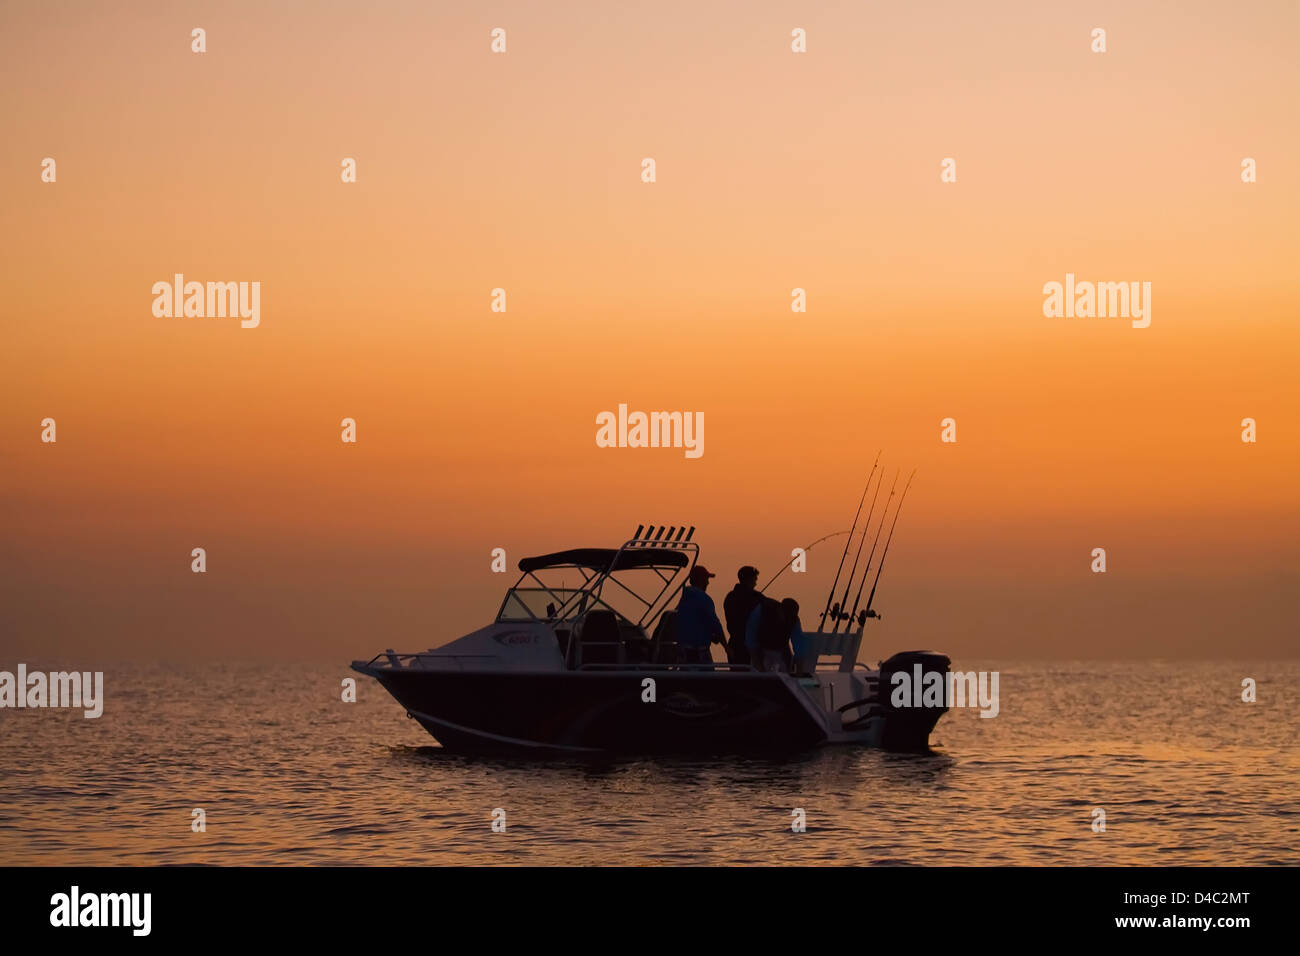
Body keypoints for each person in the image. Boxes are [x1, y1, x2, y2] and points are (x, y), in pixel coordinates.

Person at [674, 565, 725, 666]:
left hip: (683, 650)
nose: (708, 582)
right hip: (698, 652)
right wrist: (727, 648)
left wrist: (709, 636)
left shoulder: (684, 599)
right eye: (706, 578)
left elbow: (691, 625)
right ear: (700, 579)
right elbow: (715, 624)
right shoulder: (704, 599)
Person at [745, 596, 798, 673]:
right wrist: (758, 663)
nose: (786, 619)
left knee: (787, 668)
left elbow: (798, 646)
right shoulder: (760, 612)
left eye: (790, 617)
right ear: (780, 610)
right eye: (785, 616)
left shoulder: (794, 620)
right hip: (762, 648)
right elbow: (751, 641)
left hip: (780, 651)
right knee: (759, 671)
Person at [722, 566, 763, 665]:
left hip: (733, 645)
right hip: (748, 646)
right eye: (754, 579)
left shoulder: (730, 597)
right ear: (749, 579)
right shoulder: (755, 597)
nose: (755, 583)